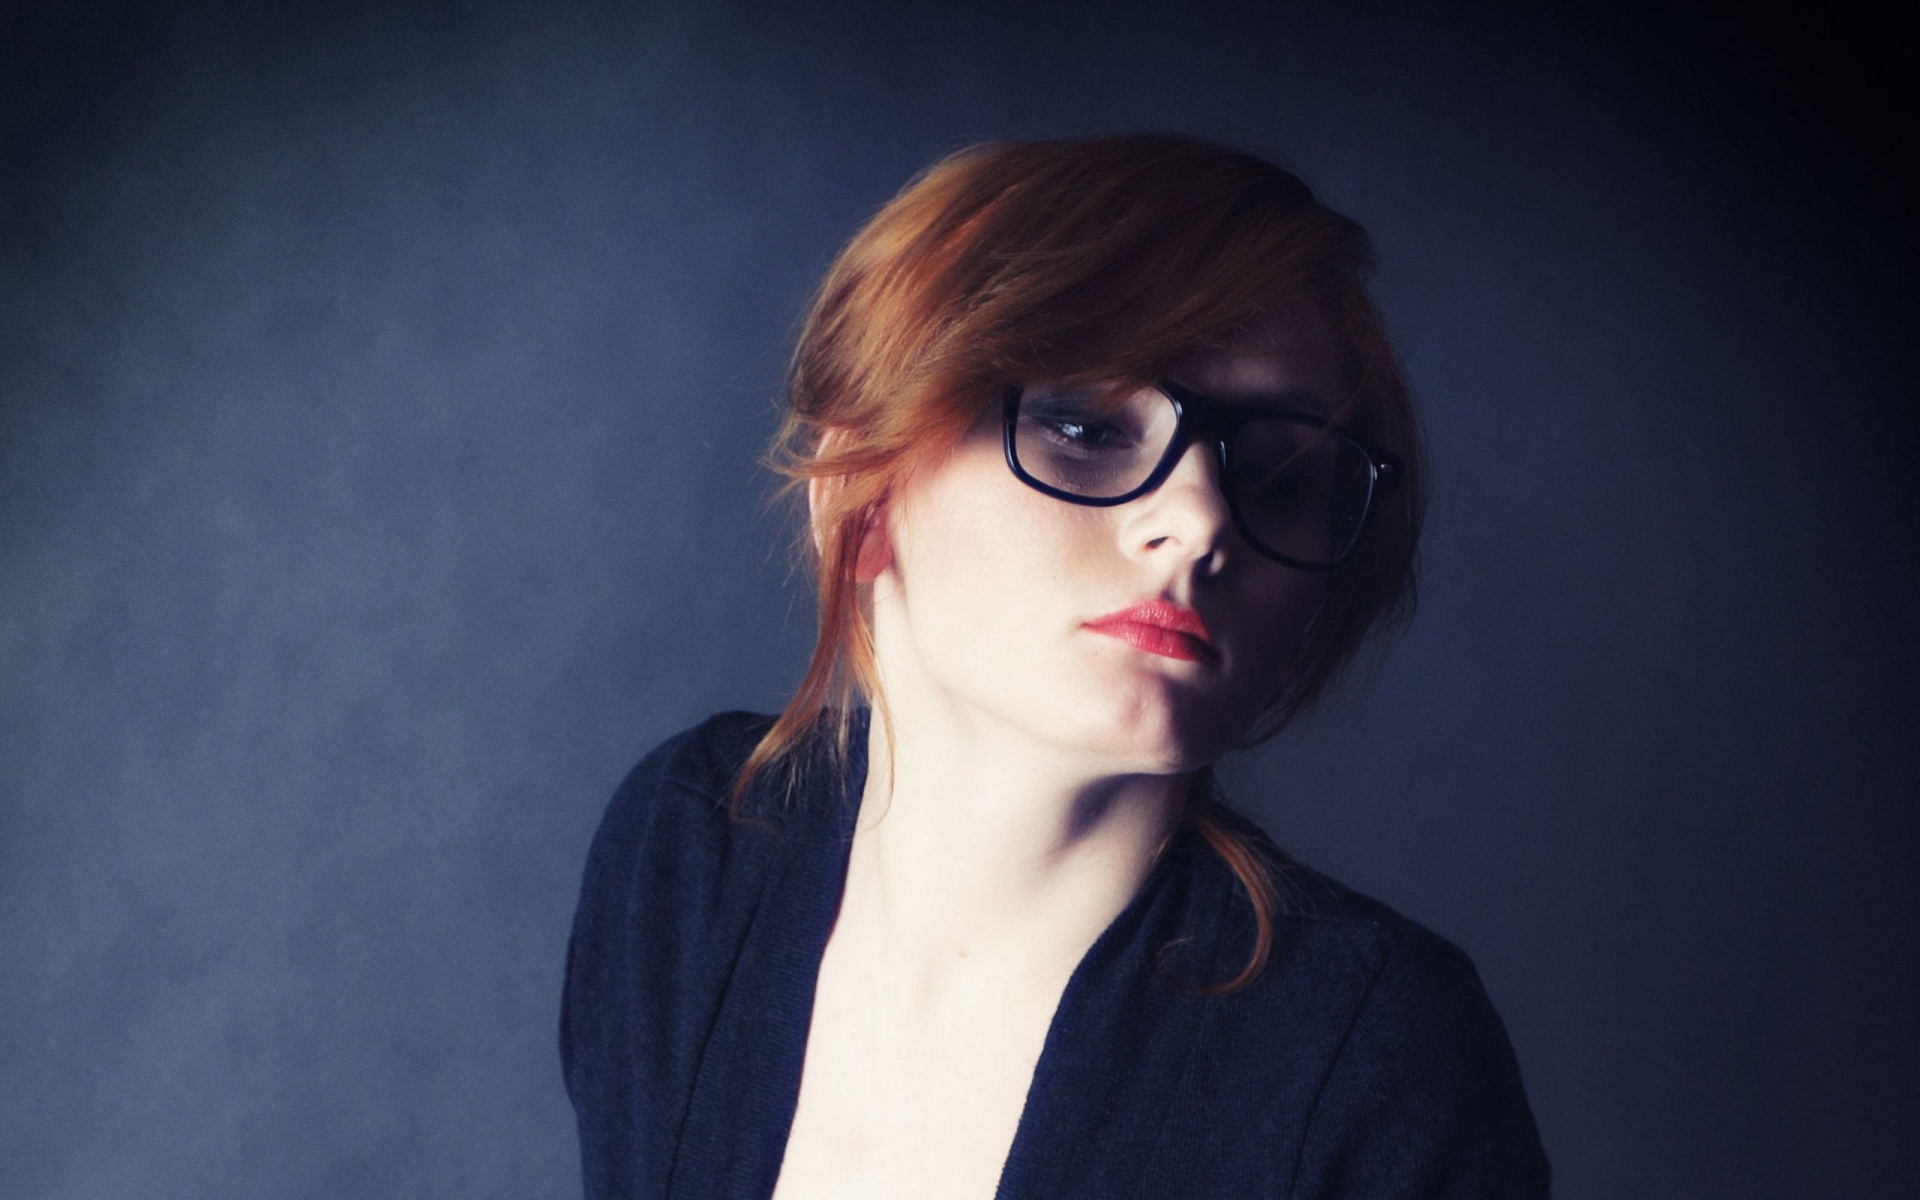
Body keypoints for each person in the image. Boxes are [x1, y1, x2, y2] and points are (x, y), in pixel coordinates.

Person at [560, 134, 1551, 1199]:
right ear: (861, 491)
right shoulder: (687, 850)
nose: (1200, 521)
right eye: (1086, 427)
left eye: (1279, 477)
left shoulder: (1379, 1064)